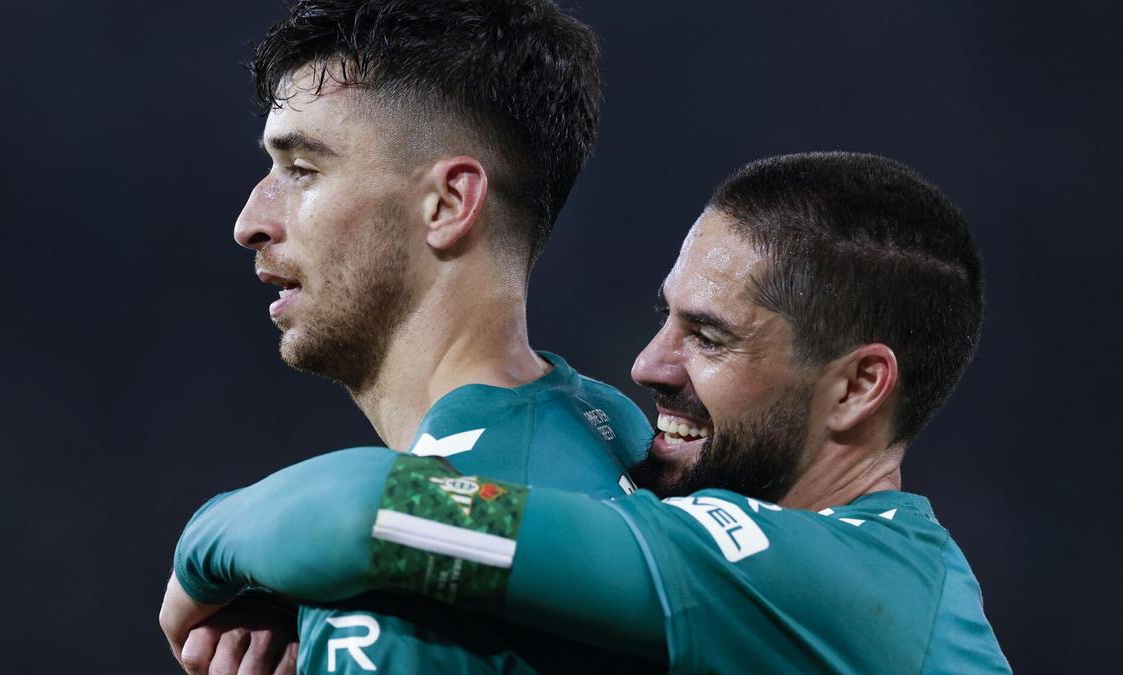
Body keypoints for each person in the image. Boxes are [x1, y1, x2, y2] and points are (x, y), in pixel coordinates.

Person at [162, 152, 1012, 673]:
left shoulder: (820, 581)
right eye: (664, 316)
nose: (650, 364)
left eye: (709, 337)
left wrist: (201, 559)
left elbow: (374, 516)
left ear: (860, 387)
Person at [165, 0, 657, 673]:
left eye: (301, 169)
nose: (250, 220)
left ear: (450, 203)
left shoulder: (399, 591)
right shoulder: (616, 429)